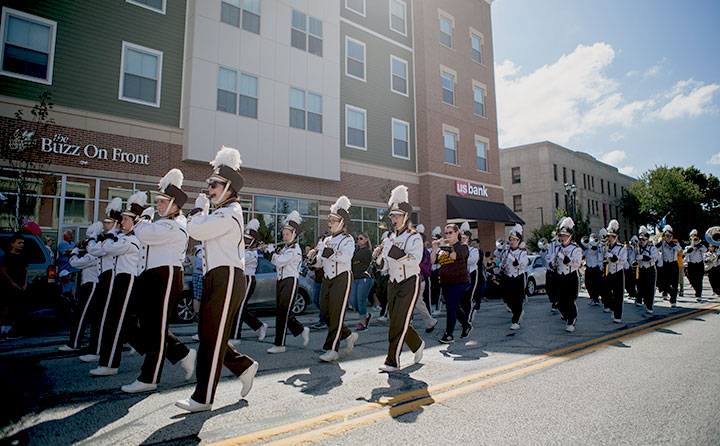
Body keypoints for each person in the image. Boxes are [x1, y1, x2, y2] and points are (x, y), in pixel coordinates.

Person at [178, 147, 258, 412]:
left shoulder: (230, 212)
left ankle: (203, 397)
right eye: (210, 184)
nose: (210, 189)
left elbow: (197, 230)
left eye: (215, 185)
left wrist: (198, 214)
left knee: (210, 338)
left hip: (228, 277)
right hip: (216, 277)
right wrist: (202, 215)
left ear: (229, 188)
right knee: (208, 334)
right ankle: (243, 366)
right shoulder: (219, 212)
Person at [89, 192, 144, 377]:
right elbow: (104, 248)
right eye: (122, 219)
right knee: (118, 321)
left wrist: (110, 237)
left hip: (128, 280)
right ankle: (147, 347)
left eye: (126, 219)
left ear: (136, 222)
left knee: (116, 321)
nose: (122, 223)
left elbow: (108, 249)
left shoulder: (132, 240)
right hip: (119, 279)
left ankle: (110, 363)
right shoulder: (124, 237)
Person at [373, 185, 425, 371]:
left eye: (397, 216)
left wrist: (392, 249)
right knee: (396, 319)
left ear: (406, 216)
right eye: (392, 216)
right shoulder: (390, 236)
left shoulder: (414, 237)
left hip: (409, 282)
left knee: (398, 322)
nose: (394, 219)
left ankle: (392, 360)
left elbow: (414, 260)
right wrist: (378, 256)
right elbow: (386, 265)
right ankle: (417, 344)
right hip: (393, 282)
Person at [306, 196, 358, 362]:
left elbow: (346, 257)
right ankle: (348, 335)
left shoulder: (347, 239)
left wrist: (329, 252)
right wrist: (313, 258)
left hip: (342, 278)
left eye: (334, 221)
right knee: (326, 313)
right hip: (327, 278)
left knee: (336, 314)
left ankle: (332, 349)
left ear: (342, 223)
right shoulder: (327, 240)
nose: (330, 223)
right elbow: (321, 261)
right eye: (330, 220)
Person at [80, 198, 123, 363]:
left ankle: (97, 349)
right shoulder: (108, 237)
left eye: (109, 222)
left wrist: (91, 240)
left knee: (105, 315)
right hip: (103, 276)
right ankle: (96, 347)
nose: (106, 225)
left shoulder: (116, 238)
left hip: (111, 275)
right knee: (101, 314)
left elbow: (95, 250)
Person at [264, 211, 310, 353]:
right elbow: (275, 259)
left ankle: (279, 344)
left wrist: (271, 253)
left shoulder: (295, 250)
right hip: (281, 281)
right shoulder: (285, 248)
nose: (285, 237)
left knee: (283, 314)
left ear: (294, 235)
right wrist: (267, 251)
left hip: (290, 282)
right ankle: (302, 330)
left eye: (287, 234)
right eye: (283, 234)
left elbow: (279, 262)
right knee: (283, 312)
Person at [59, 222, 102, 352]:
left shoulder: (93, 255)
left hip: (91, 285)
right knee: (94, 317)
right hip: (90, 284)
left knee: (81, 314)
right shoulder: (94, 253)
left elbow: (75, 263)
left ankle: (75, 343)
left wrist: (75, 251)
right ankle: (94, 344)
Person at [229, 219, 268, 343]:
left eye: (248, 239)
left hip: (248, 280)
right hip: (240, 279)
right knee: (238, 307)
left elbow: (238, 260)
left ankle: (235, 337)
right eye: (244, 238)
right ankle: (259, 326)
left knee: (239, 307)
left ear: (253, 241)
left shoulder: (252, 253)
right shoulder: (242, 249)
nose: (245, 241)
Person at [432, 223, 471, 343]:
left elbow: (454, 256)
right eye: (446, 233)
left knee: (450, 306)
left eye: (450, 232)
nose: (448, 235)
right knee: (455, 306)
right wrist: (434, 248)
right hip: (445, 282)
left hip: (459, 281)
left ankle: (449, 334)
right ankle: (466, 325)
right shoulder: (443, 249)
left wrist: (443, 246)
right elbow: (433, 261)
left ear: (457, 233)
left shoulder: (462, 246)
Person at [552, 218, 582, 332]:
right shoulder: (558, 248)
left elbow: (577, 263)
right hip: (560, 276)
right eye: (561, 235)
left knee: (570, 300)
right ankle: (566, 315)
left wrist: (566, 259)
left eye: (564, 235)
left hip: (570, 276)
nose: (562, 238)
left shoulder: (575, 249)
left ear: (570, 236)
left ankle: (571, 320)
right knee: (559, 301)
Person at [500, 224, 529, 330]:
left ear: (518, 241)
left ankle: (516, 320)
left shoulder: (522, 252)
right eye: (511, 239)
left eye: (514, 240)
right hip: (508, 277)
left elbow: (524, 264)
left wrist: (516, 262)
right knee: (507, 298)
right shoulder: (506, 252)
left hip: (518, 276)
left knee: (518, 299)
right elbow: (502, 264)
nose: (512, 242)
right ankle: (517, 312)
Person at [1, 233, 28, 340]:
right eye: (19, 243)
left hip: (21, 285)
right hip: (9, 285)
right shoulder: (7, 256)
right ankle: (4, 329)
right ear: (12, 244)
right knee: (7, 307)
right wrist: (13, 283)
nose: (21, 245)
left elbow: (26, 271)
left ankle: (15, 330)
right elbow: (4, 271)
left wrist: (25, 284)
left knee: (19, 308)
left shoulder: (23, 256)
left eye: (22, 243)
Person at [603, 220, 627, 323]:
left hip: (618, 272)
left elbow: (623, 260)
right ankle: (611, 306)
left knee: (618, 294)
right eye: (608, 236)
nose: (610, 238)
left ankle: (618, 315)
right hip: (608, 272)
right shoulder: (605, 247)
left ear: (616, 237)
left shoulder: (622, 247)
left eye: (612, 237)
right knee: (606, 293)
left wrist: (613, 257)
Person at [350, 232, 374, 331]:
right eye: (357, 239)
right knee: (352, 301)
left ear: (366, 240)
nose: (358, 240)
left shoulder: (368, 251)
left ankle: (363, 324)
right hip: (355, 278)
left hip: (365, 278)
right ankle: (366, 315)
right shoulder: (355, 250)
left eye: (360, 238)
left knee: (361, 300)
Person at [636, 226, 661, 314]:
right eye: (640, 240)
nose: (641, 241)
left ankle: (649, 305)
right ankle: (640, 299)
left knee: (650, 289)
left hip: (650, 270)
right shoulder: (637, 249)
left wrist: (642, 257)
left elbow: (654, 258)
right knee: (641, 287)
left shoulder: (652, 248)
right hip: (641, 270)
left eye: (643, 240)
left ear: (647, 240)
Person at [459, 223, 479, 322]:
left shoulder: (473, 250)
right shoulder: (457, 249)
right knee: (461, 297)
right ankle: (465, 315)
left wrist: (461, 257)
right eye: (461, 237)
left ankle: (469, 317)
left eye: (465, 238)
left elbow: (472, 261)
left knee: (468, 297)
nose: (463, 239)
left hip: (471, 274)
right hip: (461, 274)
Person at [658, 225, 682, 308]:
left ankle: (673, 300)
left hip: (673, 264)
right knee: (664, 282)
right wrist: (660, 242)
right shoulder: (662, 244)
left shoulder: (675, 243)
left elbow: (679, 249)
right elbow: (655, 249)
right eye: (667, 236)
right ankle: (669, 293)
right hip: (665, 264)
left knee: (674, 283)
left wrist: (671, 243)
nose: (668, 238)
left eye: (670, 236)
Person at [308, 236, 328, 329]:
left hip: (325, 280)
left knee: (321, 301)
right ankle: (326, 315)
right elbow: (311, 267)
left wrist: (319, 265)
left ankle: (323, 320)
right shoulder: (317, 253)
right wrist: (311, 259)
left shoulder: (326, 252)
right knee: (315, 300)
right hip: (317, 280)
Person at [684, 229, 707, 301]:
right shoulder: (688, 247)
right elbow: (684, 256)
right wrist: (689, 251)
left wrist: (699, 246)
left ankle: (698, 294)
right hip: (691, 265)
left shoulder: (701, 247)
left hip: (699, 264)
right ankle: (695, 288)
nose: (694, 238)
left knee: (699, 280)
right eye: (693, 237)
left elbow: (705, 250)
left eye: (696, 237)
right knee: (691, 279)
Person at [583, 233, 603, 306]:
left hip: (595, 267)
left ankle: (596, 299)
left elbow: (595, 252)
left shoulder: (596, 248)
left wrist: (592, 246)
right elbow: (583, 254)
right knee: (588, 284)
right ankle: (592, 297)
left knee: (596, 284)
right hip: (588, 268)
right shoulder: (587, 249)